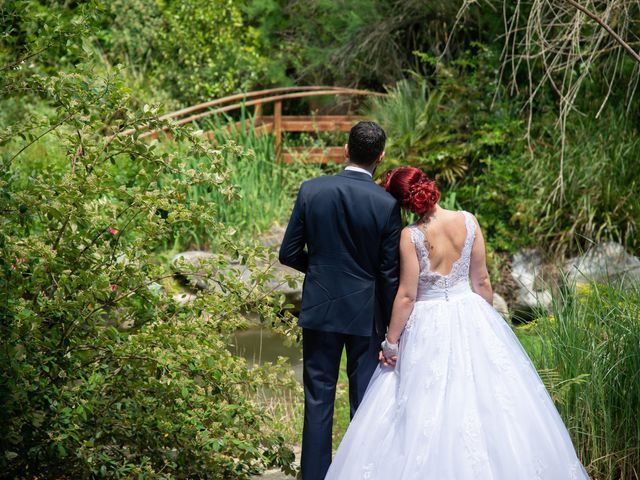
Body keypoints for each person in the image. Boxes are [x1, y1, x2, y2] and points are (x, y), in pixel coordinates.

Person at [324, 166, 590, 480]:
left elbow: (407, 295)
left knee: (422, 404)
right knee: (487, 402)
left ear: (403, 203)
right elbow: (482, 281)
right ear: (428, 186)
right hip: (470, 312)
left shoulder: (410, 236)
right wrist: (488, 324)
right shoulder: (468, 220)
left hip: (427, 322)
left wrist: (391, 342)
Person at [279, 121, 402, 480]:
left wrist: (318, 271)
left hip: (320, 308)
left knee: (318, 399)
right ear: (380, 157)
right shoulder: (386, 203)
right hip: (366, 316)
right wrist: (393, 329)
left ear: (345, 150)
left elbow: (288, 252)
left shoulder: (312, 190)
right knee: (364, 402)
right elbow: (389, 273)